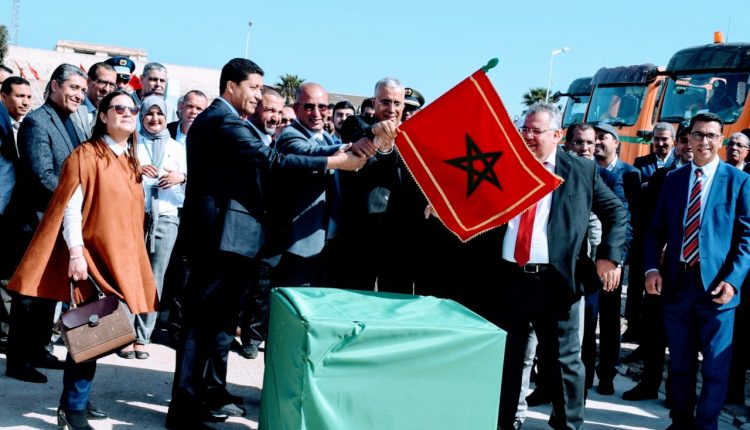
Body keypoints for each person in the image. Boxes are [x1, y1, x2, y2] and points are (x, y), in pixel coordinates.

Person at [166, 58, 365, 429]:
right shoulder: (223, 121)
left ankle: (201, 399)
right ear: (231, 86)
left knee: (212, 325)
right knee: (199, 328)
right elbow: (270, 160)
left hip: (225, 240)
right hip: (213, 239)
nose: (259, 96)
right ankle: (184, 413)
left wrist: (339, 150)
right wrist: (336, 162)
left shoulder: (225, 121)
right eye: (255, 87)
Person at [7, 90, 158, 430]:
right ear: (103, 116)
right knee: (91, 332)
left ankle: (79, 399)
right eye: (118, 108)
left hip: (118, 259)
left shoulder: (129, 159)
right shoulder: (85, 155)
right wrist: (76, 254)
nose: (127, 113)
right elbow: (70, 209)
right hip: (90, 258)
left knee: (103, 334)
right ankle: (72, 407)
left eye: (132, 109)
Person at [479, 103, 626, 430]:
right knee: (508, 357)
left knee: (564, 362)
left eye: (536, 130)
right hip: (510, 279)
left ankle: (567, 425)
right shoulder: (504, 165)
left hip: (557, 282)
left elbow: (616, 212)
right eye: (524, 129)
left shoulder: (581, 171)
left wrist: (609, 256)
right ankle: (504, 421)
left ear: (557, 135)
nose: (528, 136)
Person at [644, 112, 750, 429]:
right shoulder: (673, 180)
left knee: (716, 367)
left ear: (721, 140)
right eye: (698, 135)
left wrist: (733, 281)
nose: (704, 141)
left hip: (718, 289)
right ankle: (680, 422)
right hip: (677, 285)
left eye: (711, 135)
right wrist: (651, 268)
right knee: (680, 364)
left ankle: (706, 425)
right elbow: (655, 230)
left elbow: (747, 237)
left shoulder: (739, 181)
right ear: (688, 139)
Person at [5, 64, 89, 384]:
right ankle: (18, 360)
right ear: (54, 86)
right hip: (34, 221)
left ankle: (38, 350)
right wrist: (78, 200)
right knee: (28, 294)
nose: (79, 95)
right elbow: (42, 175)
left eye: (82, 90)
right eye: (74, 87)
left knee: (48, 292)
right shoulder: (37, 121)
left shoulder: (72, 122)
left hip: (57, 221)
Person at [622, 121, 693, 403]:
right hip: (661, 269)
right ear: (678, 145)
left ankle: (678, 392)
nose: (688, 146)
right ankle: (649, 383)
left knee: (684, 336)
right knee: (654, 329)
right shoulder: (664, 177)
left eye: (691, 139)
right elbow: (646, 218)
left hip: (693, 269)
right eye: (684, 140)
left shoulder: (716, 179)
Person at [111, 95, 185, 360]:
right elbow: (114, 177)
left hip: (165, 217)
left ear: (167, 117)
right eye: (149, 114)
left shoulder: (177, 147)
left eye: (159, 114)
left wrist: (180, 177)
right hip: (133, 217)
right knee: (127, 274)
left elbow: (193, 181)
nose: (155, 119)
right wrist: (137, 171)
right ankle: (125, 334)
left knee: (154, 279)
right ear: (141, 116)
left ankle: (143, 336)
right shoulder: (130, 143)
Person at [72, 62, 117, 139]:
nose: (107, 89)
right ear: (89, 81)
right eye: (103, 82)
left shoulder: (113, 113)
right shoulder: (73, 107)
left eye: (111, 85)